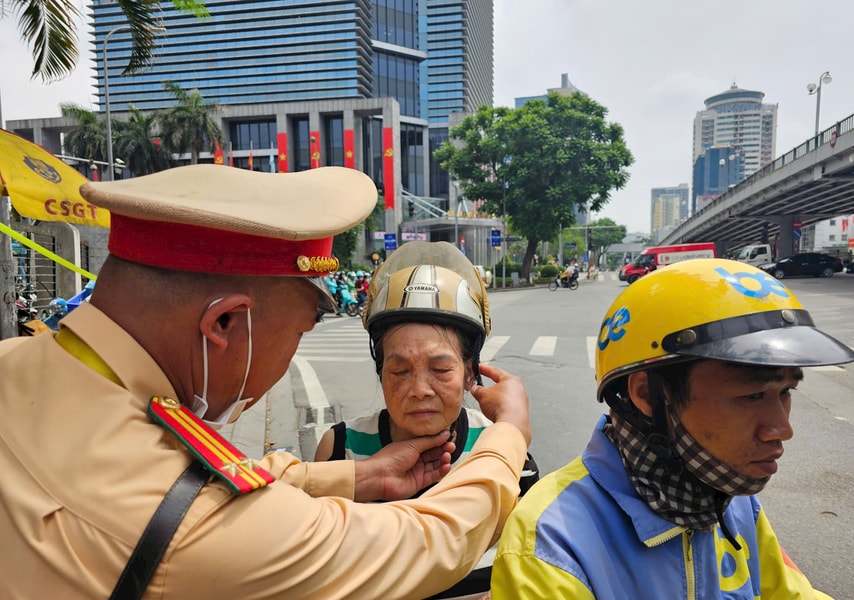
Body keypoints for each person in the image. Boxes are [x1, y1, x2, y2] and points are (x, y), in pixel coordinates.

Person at [0, 164, 532, 599]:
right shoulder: (192, 526)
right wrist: (511, 434)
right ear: (225, 324)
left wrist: (353, 480)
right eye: (299, 332)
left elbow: (217, 477)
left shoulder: (16, 362)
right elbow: (425, 542)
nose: (418, 387)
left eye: (440, 369)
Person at [491, 258, 854, 599]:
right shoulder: (551, 543)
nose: (781, 429)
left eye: (786, 392)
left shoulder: (735, 505)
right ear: (646, 394)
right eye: (752, 396)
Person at [315, 241, 540, 599]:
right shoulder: (339, 447)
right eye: (399, 370)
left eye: (440, 369)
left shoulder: (499, 448)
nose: (419, 389)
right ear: (381, 373)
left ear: (470, 374)